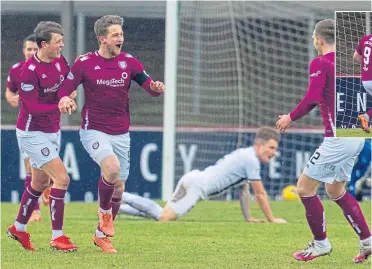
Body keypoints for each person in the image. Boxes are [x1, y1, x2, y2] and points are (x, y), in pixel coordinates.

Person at [58, 15, 165, 253]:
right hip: (93, 129)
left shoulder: (129, 62)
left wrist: (156, 88)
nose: (120, 39)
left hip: (121, 132)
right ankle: (105, 213)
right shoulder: (84, 63)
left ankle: (100, 236)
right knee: (112, 168)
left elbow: (149, 86)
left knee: (118, 188)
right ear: (102, 39)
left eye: (121, 35)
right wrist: (65, 97)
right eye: (115, 35)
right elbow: (66, 89)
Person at [276, 19, 371, 263]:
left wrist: (290, 117)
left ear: (319, 39)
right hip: (358, 135)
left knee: (305, 188)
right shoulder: (354, 64)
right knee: (335, 190)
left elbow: (312, 97)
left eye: (313, 39)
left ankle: (321, 244)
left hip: (339, 138)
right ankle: (368, 242)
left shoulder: (321, 62)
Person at [7, 21, 78, 252]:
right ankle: (58, 237)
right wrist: (60, 103)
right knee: (62, 178)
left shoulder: (60, 61)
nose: (62, 45)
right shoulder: (27, 72)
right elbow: (33, 108)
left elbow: (67, 84)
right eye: (58, 42)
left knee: (39, 182)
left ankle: (18, 227)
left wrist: (66, 95)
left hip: (51, 130)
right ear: (44, 44)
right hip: (31, 132)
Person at [156, 127, 287, 224]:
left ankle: (134, 206)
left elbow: (244, 190)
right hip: (197, 187)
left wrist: (249, 218)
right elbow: (260, 194)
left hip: (193, 179)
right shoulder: (251, 161)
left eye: (275, 149)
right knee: (165, 219)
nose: (274, 153)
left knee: (162, 214)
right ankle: (134, 203)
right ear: (258, 146)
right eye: (271, 148)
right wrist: (272, 219)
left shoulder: (245, 154)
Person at [5, 34, 43, 222]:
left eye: (35, 49)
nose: (31, 52)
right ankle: (34, 210)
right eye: (28, 49)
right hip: (27, 125)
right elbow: (10, 93)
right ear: (23, 50)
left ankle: (48, 186)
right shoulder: (17, 70)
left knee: (46, 168)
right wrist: (12, 97)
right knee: (30, 165)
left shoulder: (51, 68)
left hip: (49, 124)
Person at [354, 34, 372, 133]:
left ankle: (365, 117)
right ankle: (366, 117)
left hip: (365, 79)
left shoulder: (365, 39)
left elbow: (355, 56)